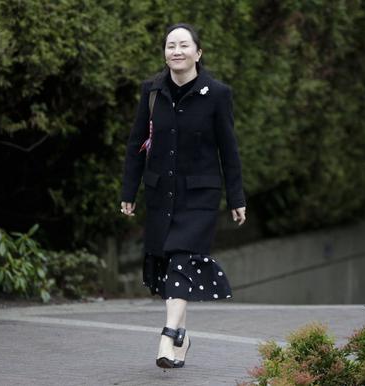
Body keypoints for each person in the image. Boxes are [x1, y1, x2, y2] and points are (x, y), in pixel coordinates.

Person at [120, 23, 246, 369]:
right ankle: (182, 336)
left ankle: (167, 334)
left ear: (198, 53)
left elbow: (228, 149)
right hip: (162, 194)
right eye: (170, 45)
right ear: (165, 53)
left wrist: (237, 198)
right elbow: (136, 146)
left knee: (182, 258)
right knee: (168, 265)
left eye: (183, 45)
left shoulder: (216, 93)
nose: (176, 51)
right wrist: (128, 191)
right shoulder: (152, 92)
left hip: (201, 196)